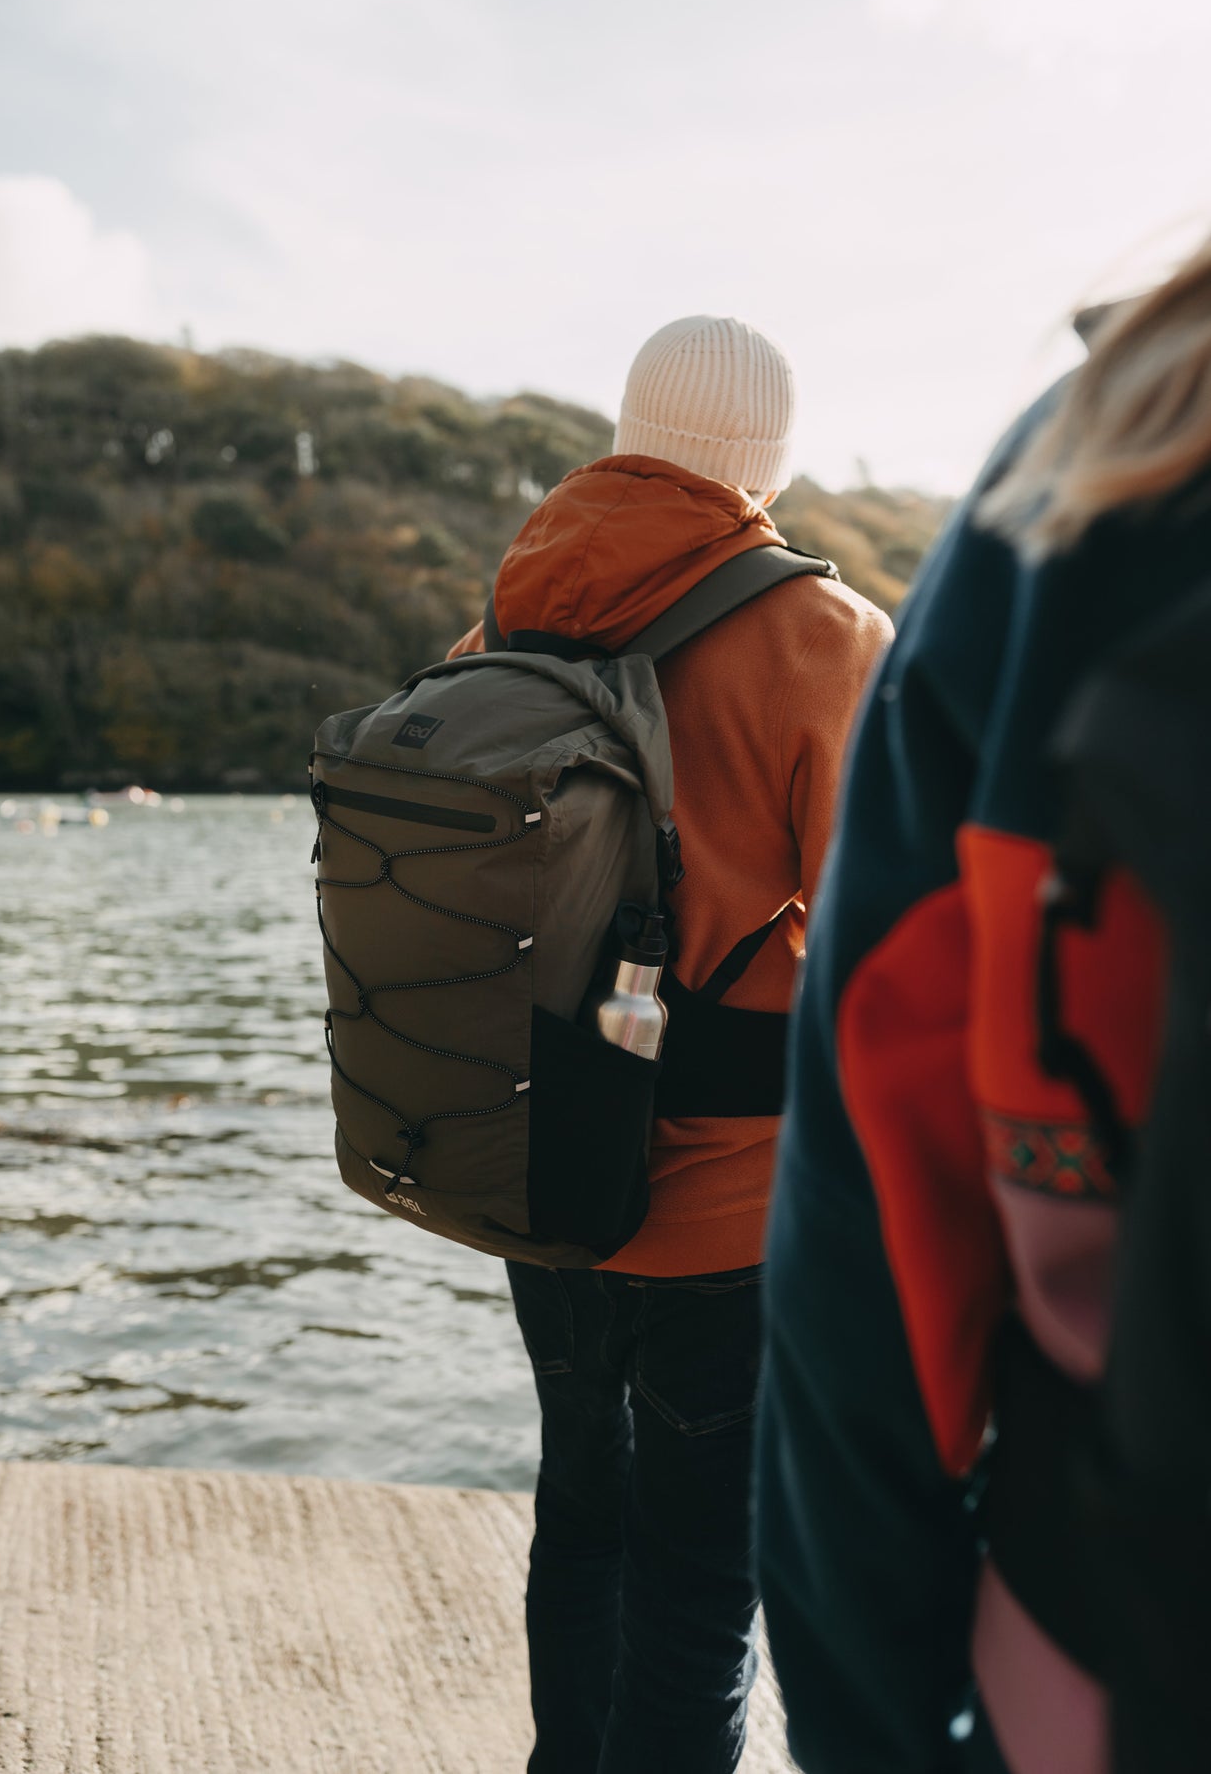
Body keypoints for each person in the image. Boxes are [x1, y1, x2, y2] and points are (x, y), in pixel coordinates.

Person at [757, 244, 1211, 1774]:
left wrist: (870, 1724)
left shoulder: (1107, 457)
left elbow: (866, 1215)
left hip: (1105, 1643)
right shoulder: (813, 630)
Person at [449, 315, 891, 1773]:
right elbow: (890, 953)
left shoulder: (503, 621)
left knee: (578, 1519)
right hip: (727, 1211)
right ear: (765, 461)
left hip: (544, 1178)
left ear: (628, 429)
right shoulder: (823, 639)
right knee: (700, 1585)